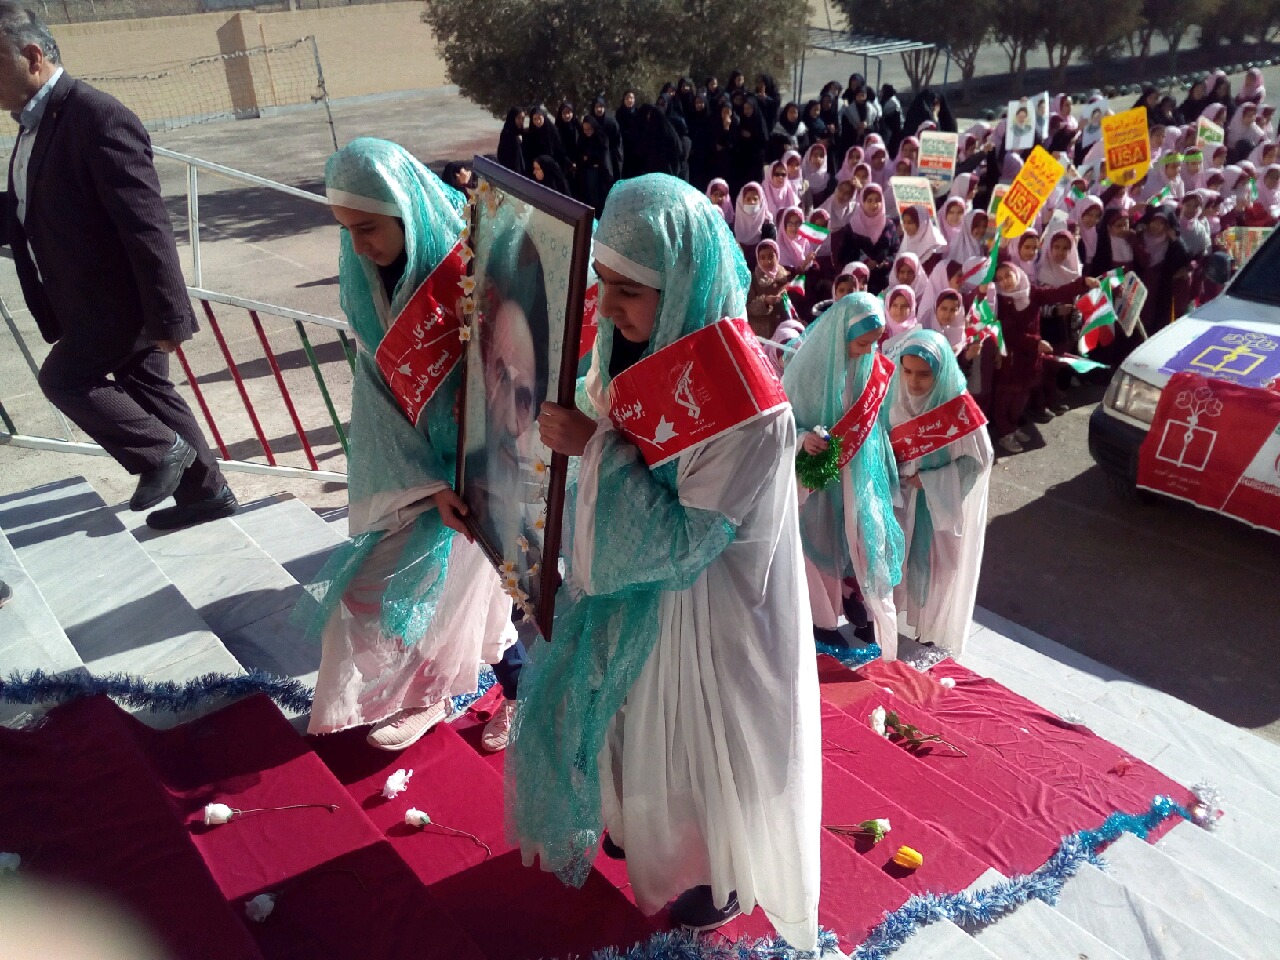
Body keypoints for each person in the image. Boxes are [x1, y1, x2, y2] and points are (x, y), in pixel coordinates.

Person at [512, 174, 820, 946]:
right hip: (635, 591)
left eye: (629, 290)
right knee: (633, 722)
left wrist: (594, 446)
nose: (607, 307)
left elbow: (688, 544)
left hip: (713, 618)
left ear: (682, 284)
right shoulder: (637, 350)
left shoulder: (751, 406)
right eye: (604, 283)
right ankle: (637, 829)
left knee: (698, 749)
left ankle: (711, 871)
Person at [296, 137, 516, 749]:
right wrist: (427, 484)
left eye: (367, 228)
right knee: (385, 593)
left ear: (404, 211)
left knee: (485, 597)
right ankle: (430, 693)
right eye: (347, 229)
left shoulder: (467, 267)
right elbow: (378, 392)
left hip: (484, 466)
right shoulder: (365, 282)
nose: (357, 246)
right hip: (421, 472)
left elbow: (519, 369)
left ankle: (508, 696)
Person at [0, 4, 235, 531]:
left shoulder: (96, 116)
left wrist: (170, 316)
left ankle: (161, 452)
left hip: (117, 304)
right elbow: (28, 204)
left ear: (32, 56)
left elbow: (146, 223)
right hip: (84, 297)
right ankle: (207, 495)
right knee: (150, 392)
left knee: (65, 379)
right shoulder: (37, 123)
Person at [785, 293, 903, 658]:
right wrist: (803, 439)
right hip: (814, 478)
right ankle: (821, 622)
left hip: (856, 473)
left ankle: (859, 606)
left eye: (873, 344)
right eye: (862, 343)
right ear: (841, 334)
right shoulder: (806, 369)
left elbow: (874, 423)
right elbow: (782, 422)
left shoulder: (868, 365)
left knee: (859, 540)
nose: (868, 351)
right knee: (815, 544)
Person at [884, 329, 992, 654]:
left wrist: (932, 480)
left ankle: (929, 633)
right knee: (896, 569)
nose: (913, 382)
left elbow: (979, 460)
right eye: (907, 371)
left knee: (938, 573)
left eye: (923, 374)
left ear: (940, 372)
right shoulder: (892, 400)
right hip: (899, 504)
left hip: (938, 512)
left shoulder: (958, 408)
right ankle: (892, 628)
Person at [497, 107, 527, 176]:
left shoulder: (522, 133)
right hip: (511, 174)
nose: (521, 121)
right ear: (512, 118)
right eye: (518, 118)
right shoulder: (507, 134)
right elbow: (503, 155)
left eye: (522, 118)